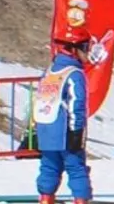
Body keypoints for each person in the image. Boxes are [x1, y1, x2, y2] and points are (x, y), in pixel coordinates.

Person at [33, 24, 92, 204]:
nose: (87, 53)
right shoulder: (74, 74)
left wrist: (37, 129)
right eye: (84, 48)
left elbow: (40, 99)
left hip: (46, 129)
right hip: (66, 131)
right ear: (73, 49)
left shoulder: (49, 71)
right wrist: (76, 131)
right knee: (76, 168)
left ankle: (45, 198)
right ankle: (81, 200)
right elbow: (77, 103)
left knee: (49, 167)